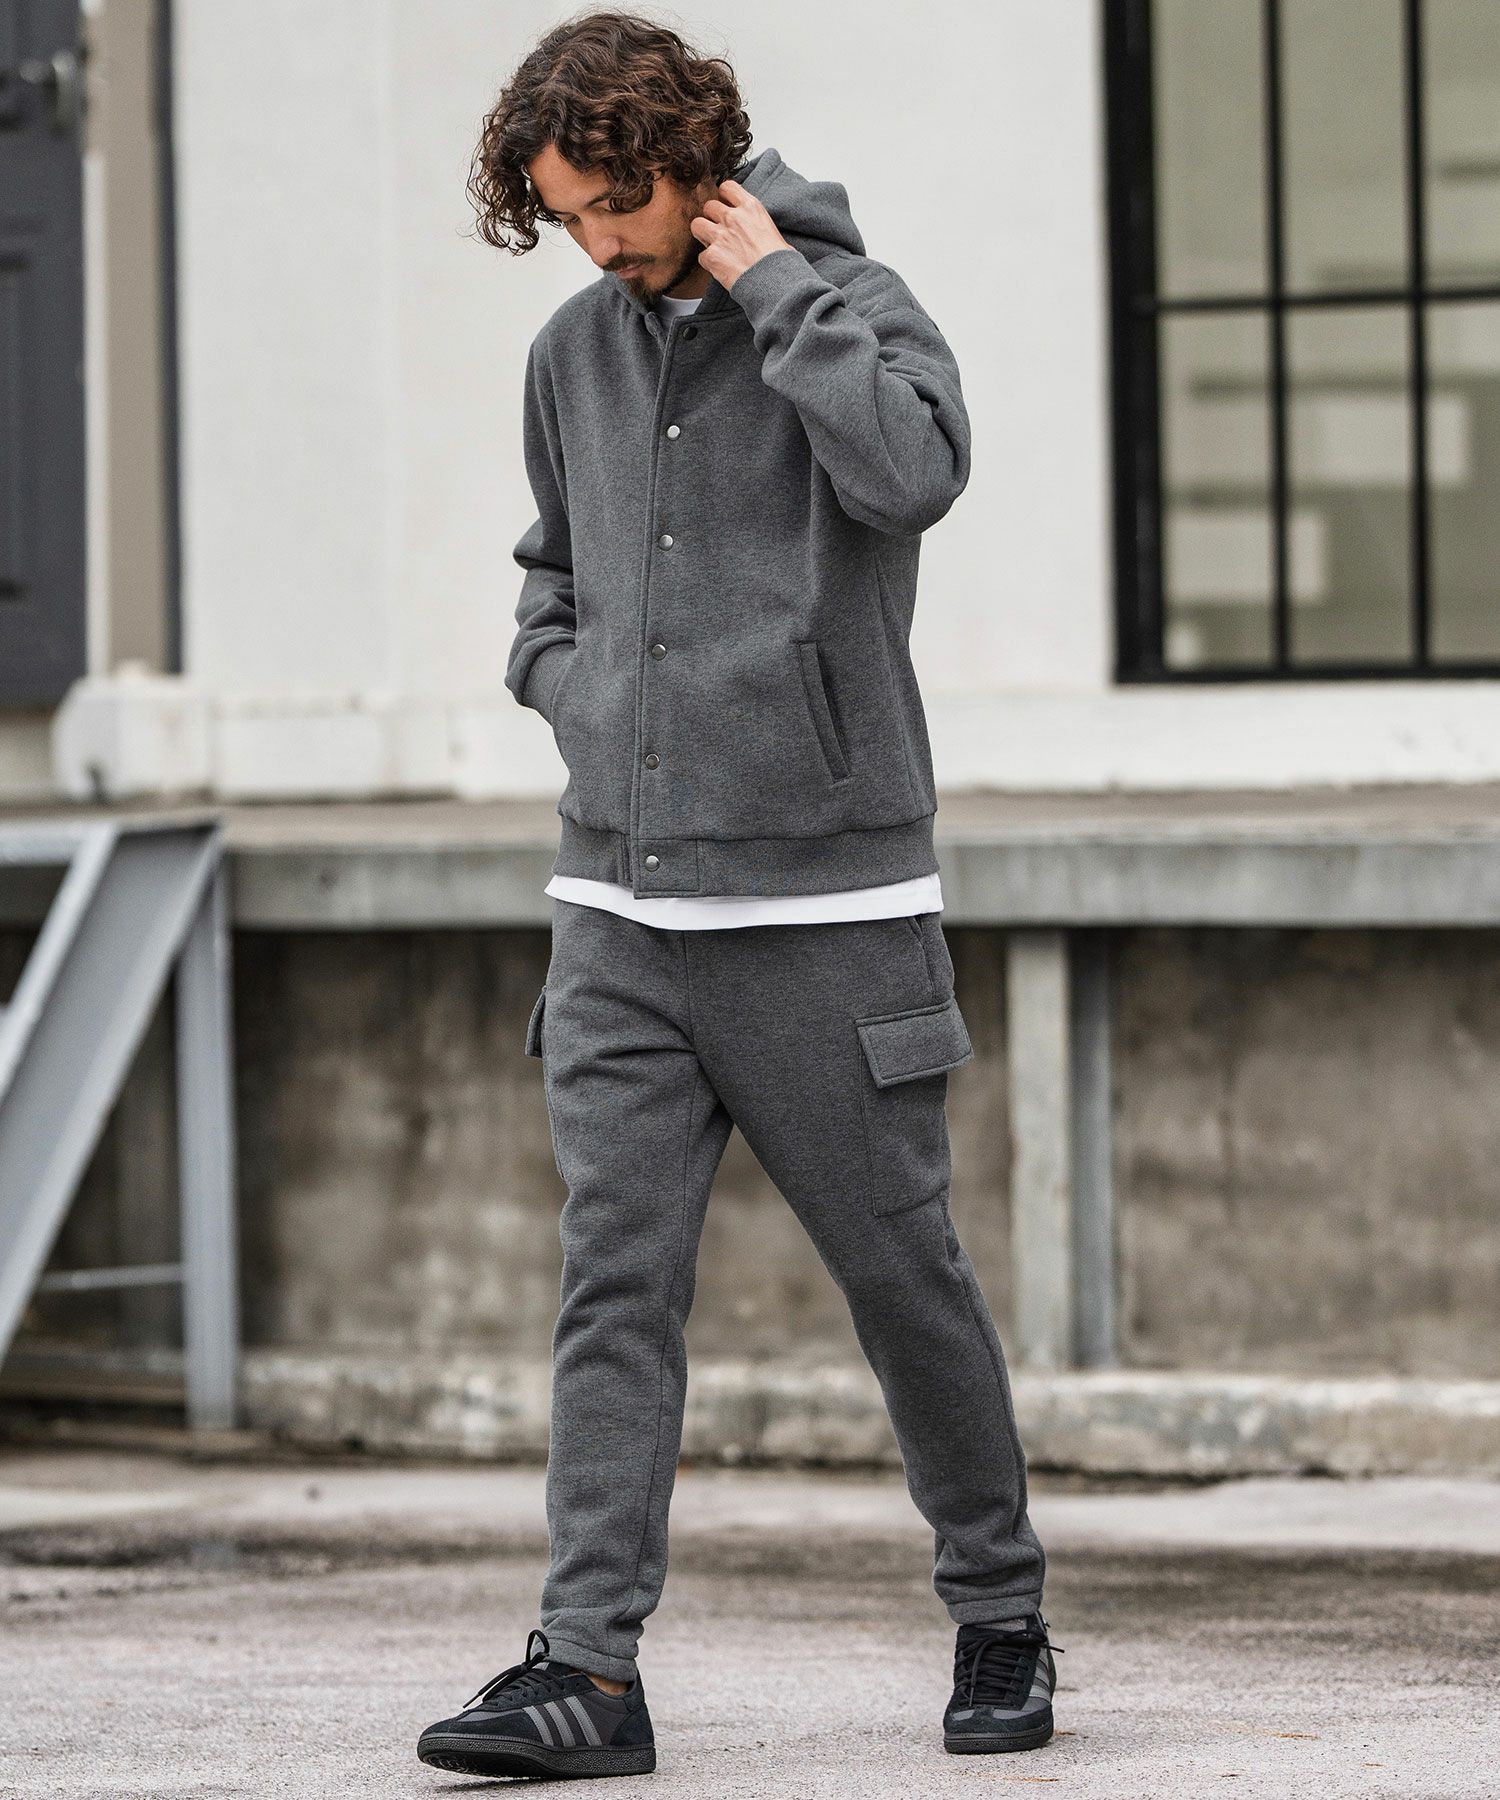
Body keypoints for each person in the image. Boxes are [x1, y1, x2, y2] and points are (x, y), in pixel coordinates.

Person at [417, 8, 1058, 1782]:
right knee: (612, 1292)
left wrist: (777, 289)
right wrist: (576, 693)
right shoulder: (571, 351)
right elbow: (550, 580)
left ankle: (1001, 1612)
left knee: (904, 1278)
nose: (595, 246)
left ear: (694, 159)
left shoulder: (851, 305)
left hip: (831, 917)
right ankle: (586, 1670)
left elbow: (914, 476)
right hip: (617, 916)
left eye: (613, 205)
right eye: (563, 218)